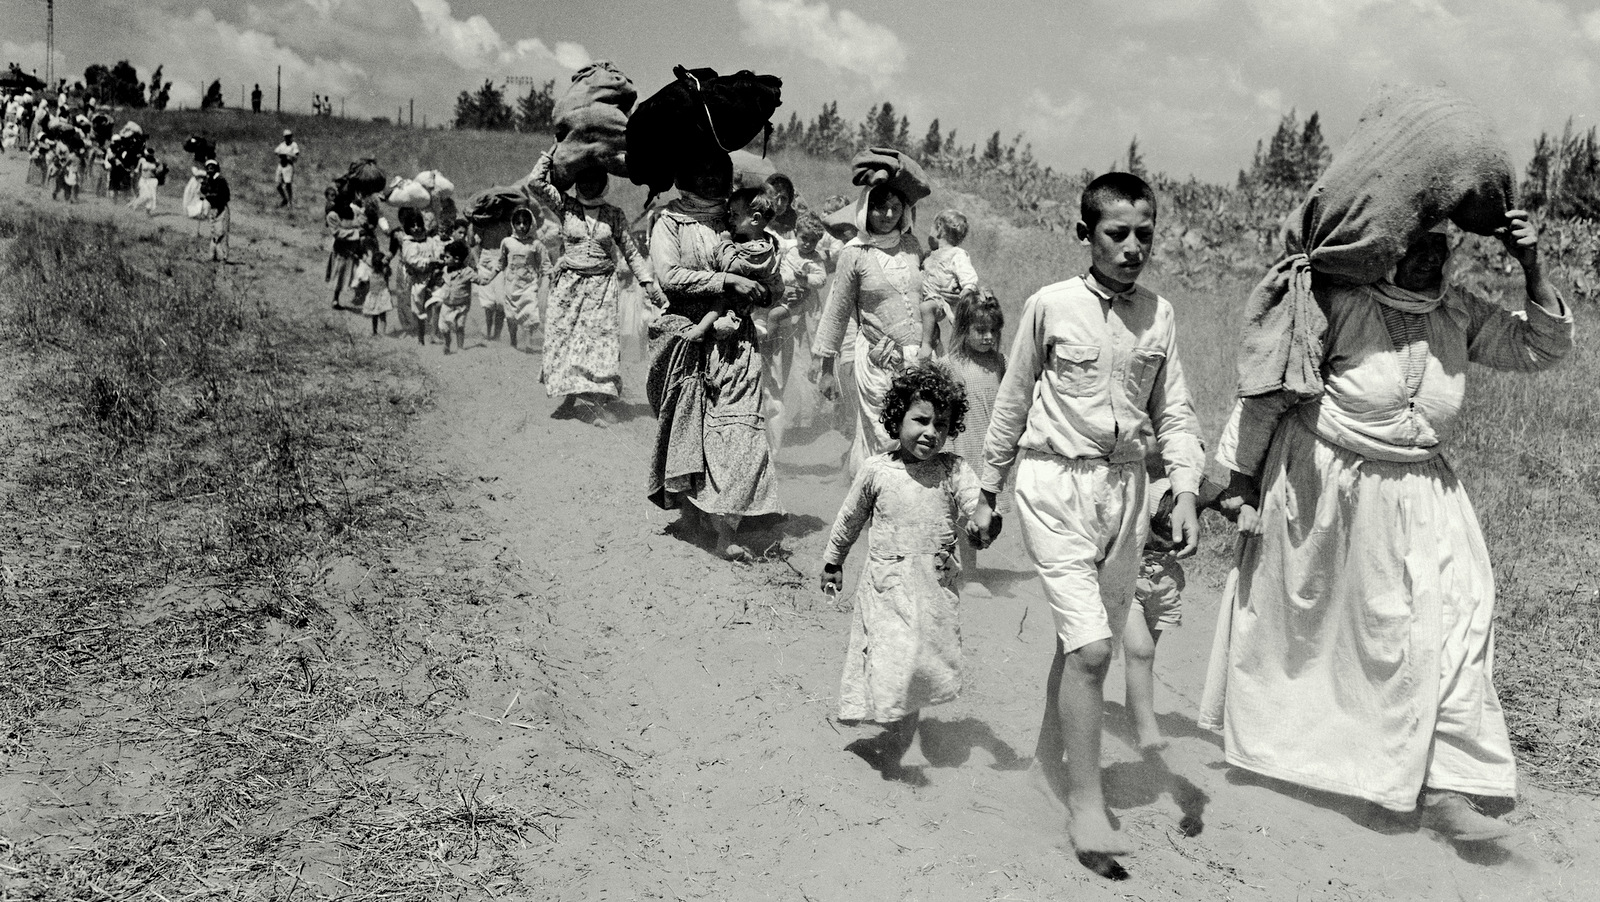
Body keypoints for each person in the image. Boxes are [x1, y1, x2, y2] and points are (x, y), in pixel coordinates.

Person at [1201, 212, 1572, 841]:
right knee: (1332, 638)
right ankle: (1304, 766)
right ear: (1384, 248)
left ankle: (1448, 783)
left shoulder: (1457, 312)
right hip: (1325, 490)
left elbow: (1542, 347)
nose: (1430, 258)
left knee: (1457, 618)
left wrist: (1532, 265)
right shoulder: (1336, 302)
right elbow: (1268, 387)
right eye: (1415, 245)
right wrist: (1234, 483)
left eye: (1440, 246)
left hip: (1423, 490)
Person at [978, 172, 1205, 861]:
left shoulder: (1159, 315)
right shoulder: (1050, 305)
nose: (1133, 247)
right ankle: (1085, 803)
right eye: (1117, 233)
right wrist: (988, 487)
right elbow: (1014, 397)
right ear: (1086, 234)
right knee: (1094, 650)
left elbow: (1174, 410)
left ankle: (1051, 760)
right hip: (1055, 485)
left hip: (1127, 495)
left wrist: (1187, 489)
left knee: (1083, 644)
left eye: (1145, 234)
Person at [820, 363, 993, 784]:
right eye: (920, 420)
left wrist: (985, 520)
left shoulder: (953, 470)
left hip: (934, 586)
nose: (930, 432)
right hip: (886, 585)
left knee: (918, 660)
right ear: (896, 417)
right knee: (892, 655)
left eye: (942, 424)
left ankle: (899, 731)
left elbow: (976, 505)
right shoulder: (877, 471)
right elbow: (849, 520)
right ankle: (894, 738)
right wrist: (833, 562)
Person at [647, 152, 784, 559]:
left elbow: (773, 287)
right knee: (686, 427)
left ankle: (728, 527)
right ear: (685, 174)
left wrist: (761, 288)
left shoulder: (737, 217)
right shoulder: (670, 221)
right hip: (686, 336)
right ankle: (692, 514)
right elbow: (669, 277)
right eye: (700, 170)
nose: (708, 179)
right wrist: (726, 280)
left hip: (735, 343)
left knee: (736, 429)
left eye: (716, 172)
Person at [523, 146, 663, 422]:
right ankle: (569, 398)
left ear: (603, 183)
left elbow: (631, 252)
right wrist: (552, 150)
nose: (588, 185)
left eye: (594, 180)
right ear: (576, 183)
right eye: (583, 180)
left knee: (600, 343)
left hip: (601, 286)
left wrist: (647, 282)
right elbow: (535, 183)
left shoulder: (613, 214)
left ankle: (598, 405)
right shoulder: (565, 206)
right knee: (567, 340)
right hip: (569, 286)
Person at [812, 180, 930, 475]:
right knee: (882, 439)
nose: (888, 215)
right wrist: (827, 369)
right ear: (866, 209)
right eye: (880, 207)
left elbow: (924, 296)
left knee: (916, 438)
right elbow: (837, 312)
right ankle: (870, 504)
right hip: (877, 361)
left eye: (895, 207)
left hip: (917, 359)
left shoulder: (912, 247)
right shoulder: (855, 253)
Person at [943, 290, 1006, 592]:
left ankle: (961, 566)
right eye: (980, 330)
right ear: (963, 328)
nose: (988, 337)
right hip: (961, 448)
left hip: (989, 449)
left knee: (985, 511)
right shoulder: (951, 364)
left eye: (993, 330)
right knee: (965, 510)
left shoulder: (1000, 363)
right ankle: (968, 574)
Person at [1125, 460, 1185, 752]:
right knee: (1141, 650)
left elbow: (1229, 499)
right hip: (1125, 576)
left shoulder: (1187, 484)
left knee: (1144, 657)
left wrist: (1246, 508)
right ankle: (1146, 730)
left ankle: (1133, 713)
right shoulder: (1127, 475)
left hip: (1163, 580)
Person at [483, 207, 553, 349]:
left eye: (525, 223)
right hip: (511, 286)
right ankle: (513, 341)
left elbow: (545, 265)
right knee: (510, 316)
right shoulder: (507, 242)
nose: (522, 226)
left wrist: (550, 278)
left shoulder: (536, 245)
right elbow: (501, 263)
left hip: (529, 285)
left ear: (530, 224)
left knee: (530, 314)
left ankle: (528, 344)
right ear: (513, 224)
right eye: (518, 223)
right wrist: (489, 278)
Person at [922, 209, 981, 353]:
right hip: (925, 295)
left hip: (939, 301)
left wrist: (967, 289)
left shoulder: (957, 254)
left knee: (926, 308)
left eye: (932, 228)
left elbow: (968, 274)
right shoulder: (930, 255)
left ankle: (926, 344)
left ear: (939, 228)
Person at [430, 239, 478, 354]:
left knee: (460, 326)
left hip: (462, 305)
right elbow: (440, 281)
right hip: (447, 304)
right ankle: (447, 342)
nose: (444, 259)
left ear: (456, 259)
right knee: (443, 328)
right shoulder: (446, 269)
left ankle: (460, 347)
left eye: (447, 257)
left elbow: (479, 279)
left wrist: (489, 276)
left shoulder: (468, 272)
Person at [326, 189, 363, 309]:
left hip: (352, 249)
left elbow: (358, 223)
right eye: (344, 202)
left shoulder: (350, 212)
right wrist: (356, 233)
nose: (346, 204)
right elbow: (337, 233)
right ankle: (335, 299)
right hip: (341, 250)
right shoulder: (332, 215)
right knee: (339, 273)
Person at [199, 159, 231, 263]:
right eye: (208, 168)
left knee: (221, 232)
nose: (209, 170)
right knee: (214, 232)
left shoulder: (220, 180)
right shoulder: (209, 180)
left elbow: (225, 197)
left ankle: (223, 256)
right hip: (213, 208)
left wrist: (209, 195)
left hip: (221, 208)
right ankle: (213, 255)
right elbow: (203, 190)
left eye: (212, 167)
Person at [360, 258, 395, 336]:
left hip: (377, 296)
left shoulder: (374, 273)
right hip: (379, 296)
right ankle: (380, 332)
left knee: (375, 315)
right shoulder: (382, 273)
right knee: (380, 315)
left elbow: (364, 280)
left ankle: (377, 332)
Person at [128, 148, 161, 216]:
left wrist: (158, 171)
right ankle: (134, 206)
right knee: (144, 196)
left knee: (151, 197)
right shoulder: (142, 160)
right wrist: (135, 180)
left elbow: (160, 170)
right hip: (143, 180)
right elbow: (137, 170)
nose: (147, 156)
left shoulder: (156, 161)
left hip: (152, 180)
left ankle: (147, 212)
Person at [275, 130, 299, 207]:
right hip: (281, 164)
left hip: (288, 165)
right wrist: (281, 154)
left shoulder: (294, 145)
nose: (287, 138)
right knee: (278, 185)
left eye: (289, 136)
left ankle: (290, 201)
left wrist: (287, 154)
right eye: (286, 137)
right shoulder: (282, 145)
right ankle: (284, 199)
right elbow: (276, 151)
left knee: (288, 184)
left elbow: (296, 155)